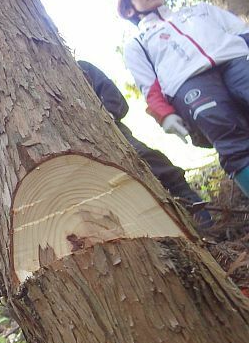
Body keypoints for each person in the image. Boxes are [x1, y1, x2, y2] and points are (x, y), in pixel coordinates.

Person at [117, 0, 249, 197]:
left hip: (235, 59)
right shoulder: (137, 44)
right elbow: (148, 85)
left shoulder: (200, 10)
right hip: (188, 83)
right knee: (228, 136)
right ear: (129, 10)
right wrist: (164, 114)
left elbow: (241, 31)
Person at [77, 60, 211, 227]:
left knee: (148, 161)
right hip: (77, 157)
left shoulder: (81, 67)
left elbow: (115, 99)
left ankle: (197, 212)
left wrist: (105, 117)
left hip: (112, 131)